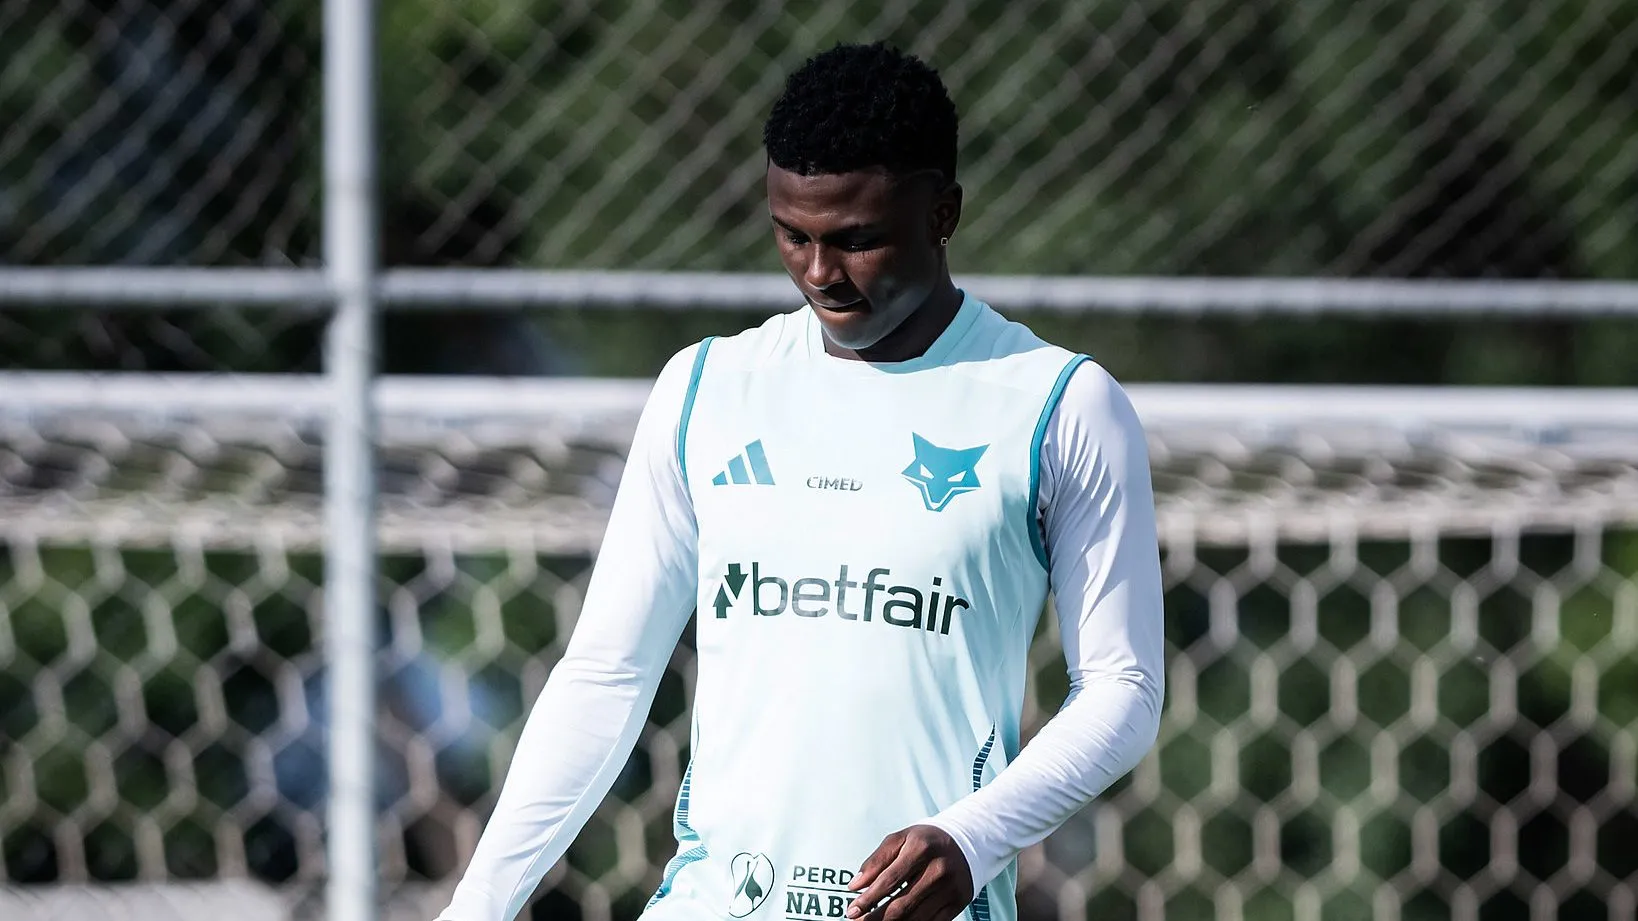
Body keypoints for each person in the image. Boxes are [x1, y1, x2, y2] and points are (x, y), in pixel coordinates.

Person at [436, 41, 1165, 921]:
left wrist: (975, 836)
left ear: (944, 214)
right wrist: (476, 906)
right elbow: (606, 675)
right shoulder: (706, 388)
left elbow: (1124, 690)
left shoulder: (1060, 405)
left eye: (857, 240)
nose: (821, 273)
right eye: (794, 235)